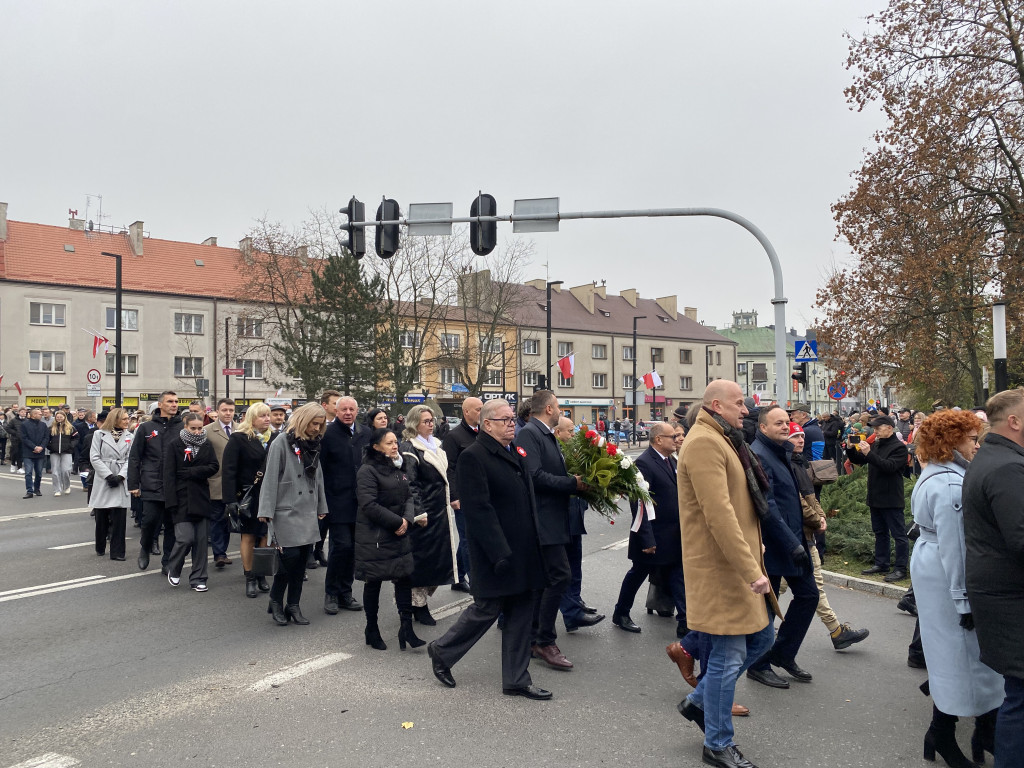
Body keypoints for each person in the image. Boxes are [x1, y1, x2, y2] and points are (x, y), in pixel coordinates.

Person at [677, 380, 778, 768]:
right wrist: (751, 568)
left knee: (762, 637)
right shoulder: (705, 442)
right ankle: (717, 743)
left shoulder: (722, 437)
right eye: (739, 403)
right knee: (727, 654)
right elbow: (718, 515)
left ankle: (699, 702)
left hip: (734, 563)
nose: (746, 410)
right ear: (716, 405)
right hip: (721, 568)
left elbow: (737, 506)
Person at [426, 399, 550, 699]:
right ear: (487, 424)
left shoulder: (515, 452)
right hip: (498, 554)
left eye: (512, 419)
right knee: (487, 609)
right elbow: (479, 510)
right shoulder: (475, 456)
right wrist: (500, 553)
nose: (512, 423)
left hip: (525, 550)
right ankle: (442, 651)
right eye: (505, 419)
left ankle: (517, 679)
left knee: (521, 614)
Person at [910, 409, 1002, 767]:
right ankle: (945, 734)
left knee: (955, 656)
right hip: (946, 575)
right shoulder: (949, 483)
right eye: (970, 438)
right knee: (963, 657)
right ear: (951, 442)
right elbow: (956, 548)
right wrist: (964, 601)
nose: (976, 445)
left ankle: (973, 730)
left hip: (931, 566)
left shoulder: (935, 473)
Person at [964, 388, 1024, 766]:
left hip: (999, 592)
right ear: (1014, 421)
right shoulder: (1007, 466)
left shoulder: (995, 457)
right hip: (1010, 596)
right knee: (1020, 694)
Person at [518, 390, 591, 671]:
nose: (560, 411)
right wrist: (572, 483)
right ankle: (544, 639)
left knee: (545, 581)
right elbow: (533, 476)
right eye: (558, 407)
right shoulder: (530, 434)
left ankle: (535, 636)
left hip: (552, 518)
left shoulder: (545, 433)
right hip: (541, 520)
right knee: (560, 575)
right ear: (549, 409)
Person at [746, 405, 818, 690]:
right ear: (763, 427)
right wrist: (791, 542)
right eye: (778, 423)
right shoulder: (760, 455)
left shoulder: (779, 451)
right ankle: (759, 665)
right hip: (774, 543)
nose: (786, 427)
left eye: (787, 422)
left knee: (809, 596)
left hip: (793, 540)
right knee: (768, 604)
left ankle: (783, 653)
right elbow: (768, 506)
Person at [786, 423, 869, 651]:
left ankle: (836, 631)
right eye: (795, 436)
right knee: (807, 587)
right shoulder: (788, 465)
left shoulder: (798, 463)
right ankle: (751, 628)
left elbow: (811, 498)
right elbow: (798, 502)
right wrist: (816, 519)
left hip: (804, 535)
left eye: (802, 436)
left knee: (800, 587)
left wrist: (820, 516)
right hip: (796, 537)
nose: (801, 440)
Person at [612, 422, 686, 635]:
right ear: (658, 440)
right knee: (638, 573)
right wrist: (647, 539)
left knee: (677, 575)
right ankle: (621, 613)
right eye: (672, 436)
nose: (677, 439)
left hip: (671, 534)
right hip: (652, 534)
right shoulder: (645, 463)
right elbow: (639, 503)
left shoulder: (669, 460)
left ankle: (685, 621)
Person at [258, 402, 329, 626]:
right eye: (314, 424)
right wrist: (266, 511)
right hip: (285, 510)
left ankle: (294, 604)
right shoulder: (281, 442)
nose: (317, 429)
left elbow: (318, 477)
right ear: (303, 420)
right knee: (288, 560)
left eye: (320, 425)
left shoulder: (315, 443)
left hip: (307, 509)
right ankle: (276, 600)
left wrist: (322, 506)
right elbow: (270, 477)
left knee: (301, 563)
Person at [354, 427, 422, 651]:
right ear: (376, 447)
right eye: (389, 443)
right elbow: (368, 504)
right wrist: (397, 523)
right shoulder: (368, 470)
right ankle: (371, 628)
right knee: (373, 581)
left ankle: (406, 628)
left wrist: (407, 520)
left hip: (398, 532)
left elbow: (409, 495)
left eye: (396, 442)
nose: (395, 446)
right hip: (376, 535)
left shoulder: (397, 467)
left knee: (404, 577)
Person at [400, 405, 457, 626]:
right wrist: (418, 512)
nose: (431, 424)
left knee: (436, 560)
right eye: (426, 421)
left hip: (439, 512)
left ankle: (417, 602)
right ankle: (417, 606)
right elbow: (411, 484)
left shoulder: (436, 445)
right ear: (415, 423)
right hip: (423, 514)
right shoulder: (409, 448)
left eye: (432, 420)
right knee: (421, 561)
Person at [222, 403, 277, 598]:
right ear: (251, 418)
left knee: (266, 537)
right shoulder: (239, 439)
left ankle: (261, 574)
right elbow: (228, 471)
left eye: (268, 415)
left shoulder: (276, 438)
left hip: (270, 495)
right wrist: (229, 499)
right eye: (262, 416)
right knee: (249, 536)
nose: (267, 419)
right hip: (248, 496)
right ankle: (250, 576)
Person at [849, 414, 910, 582]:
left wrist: (869, 453)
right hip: (875, 496)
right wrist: (850, 448)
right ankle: (881, 563)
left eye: (878, 428)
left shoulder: (899, 448)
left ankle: (900, 568)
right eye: (874, 428)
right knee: (880, 532)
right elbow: (860, 459)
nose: (875, 431)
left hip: (891, 498)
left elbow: (889, 467)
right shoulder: (876, 445)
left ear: (889, 428)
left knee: (898, 535)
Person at [162, 412, 219, 592]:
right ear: (185, 427)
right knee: (185, 538)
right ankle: (175, 567)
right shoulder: (174, 445)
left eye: (200, 428)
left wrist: (193, 472)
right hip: (181, 499)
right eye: (192, 428)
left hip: (201, 497)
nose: (197, 431)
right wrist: (170, 502)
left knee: (201, 542)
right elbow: (168, 475)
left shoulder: (206, 444)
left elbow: (214, 466)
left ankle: (199, 578)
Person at [321, 396, 367, 614]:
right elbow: (321, 470)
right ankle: (331, 592)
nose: (348, 413)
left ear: (357, 411)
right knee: (341, 547)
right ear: (336, 412)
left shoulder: (365, 433)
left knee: (353, 550)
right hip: (337, 501)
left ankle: (346, 593)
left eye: (352, 409)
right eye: (344, 409)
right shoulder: (328, 435)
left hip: (360, 502)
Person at [554, 416, 600, 631]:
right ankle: (572, 612)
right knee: (562, 570)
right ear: (557, 432)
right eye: (570, 431)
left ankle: (575, 606)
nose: (573, 435)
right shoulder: (554, 453)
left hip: (575, 515)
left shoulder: (573, 452)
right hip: (561, 517)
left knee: (574, 566)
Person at [128, 391, 182, 571]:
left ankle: (168, 560)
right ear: (160, 405)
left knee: (172, 526)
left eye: (176, 401)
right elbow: (135, 457)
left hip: (175, 485)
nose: (174, 404)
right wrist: (134, 484)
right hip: (152, 482)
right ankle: (145, 547)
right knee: (150, 520)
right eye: (170, 401)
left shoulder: (182, 427)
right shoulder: (146, 428)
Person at [441, 396, 482, 592]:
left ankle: (456, 576)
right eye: (478, 410)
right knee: (468, 538)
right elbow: (449, 469)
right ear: (467, 412)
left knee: (472, 537)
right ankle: (476, 582)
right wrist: (454, 496)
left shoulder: (484, 433)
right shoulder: (454, 436)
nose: (482, 413)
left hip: (481, 494)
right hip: (464, 496)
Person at [89, 407, 131, 560]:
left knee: (119, 517)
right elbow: (94, 457)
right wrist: (108, 475)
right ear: (115, 419)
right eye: (125, 419)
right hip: (103, 477)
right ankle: (100, 545)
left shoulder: (129, 437)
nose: (128, 421)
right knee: (101, 515)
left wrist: (120, 476)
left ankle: (118, 552)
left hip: (120, 477)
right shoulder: (99, 435)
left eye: (128, 418)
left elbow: (130, 459)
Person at [309, 390, 344, 568]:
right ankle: (308, 551)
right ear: (325, 406)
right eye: (335, 403)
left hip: (334, 480)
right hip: (314, 476)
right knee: (314, 517)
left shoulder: (341, 426)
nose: (339, 407)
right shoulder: (316, 425)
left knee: (326, 519)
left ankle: (318, 549)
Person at [204, 398, 236, 569]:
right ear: (218, 411)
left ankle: (222, 550)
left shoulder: (240, 429)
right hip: (216, 482)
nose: (228, 413)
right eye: (224, 410)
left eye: (231, 410)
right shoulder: (208, 431)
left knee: (229, 519)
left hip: (235, 483)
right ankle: (219, 553)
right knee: (217, 518)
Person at [47, 410, 78, 496]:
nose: (59, 418)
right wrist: (50, 446)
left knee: (66, 470)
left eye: (61, 417)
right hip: (54, 452)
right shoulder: (51, 428)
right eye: (58, 417)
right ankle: (57, 489)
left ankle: (67, 486)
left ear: (64, 417)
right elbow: (46, 439)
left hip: (67, 451)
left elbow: (76, 438)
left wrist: (71, 446)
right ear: (55, 418)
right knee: (55, 471)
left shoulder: (71, 428)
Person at [20, 408, 49, 499]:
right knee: (28, 472)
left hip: (40, 452)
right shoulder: (24, 425)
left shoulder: (43, 425)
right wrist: (34, 447)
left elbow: (46, 437)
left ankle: (37, 488)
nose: (41, 415)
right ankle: (29, 490)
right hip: (28, 452)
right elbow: (24, 438)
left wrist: (41, 447)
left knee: (39, 473)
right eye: (39, 414)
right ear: (33, 415)